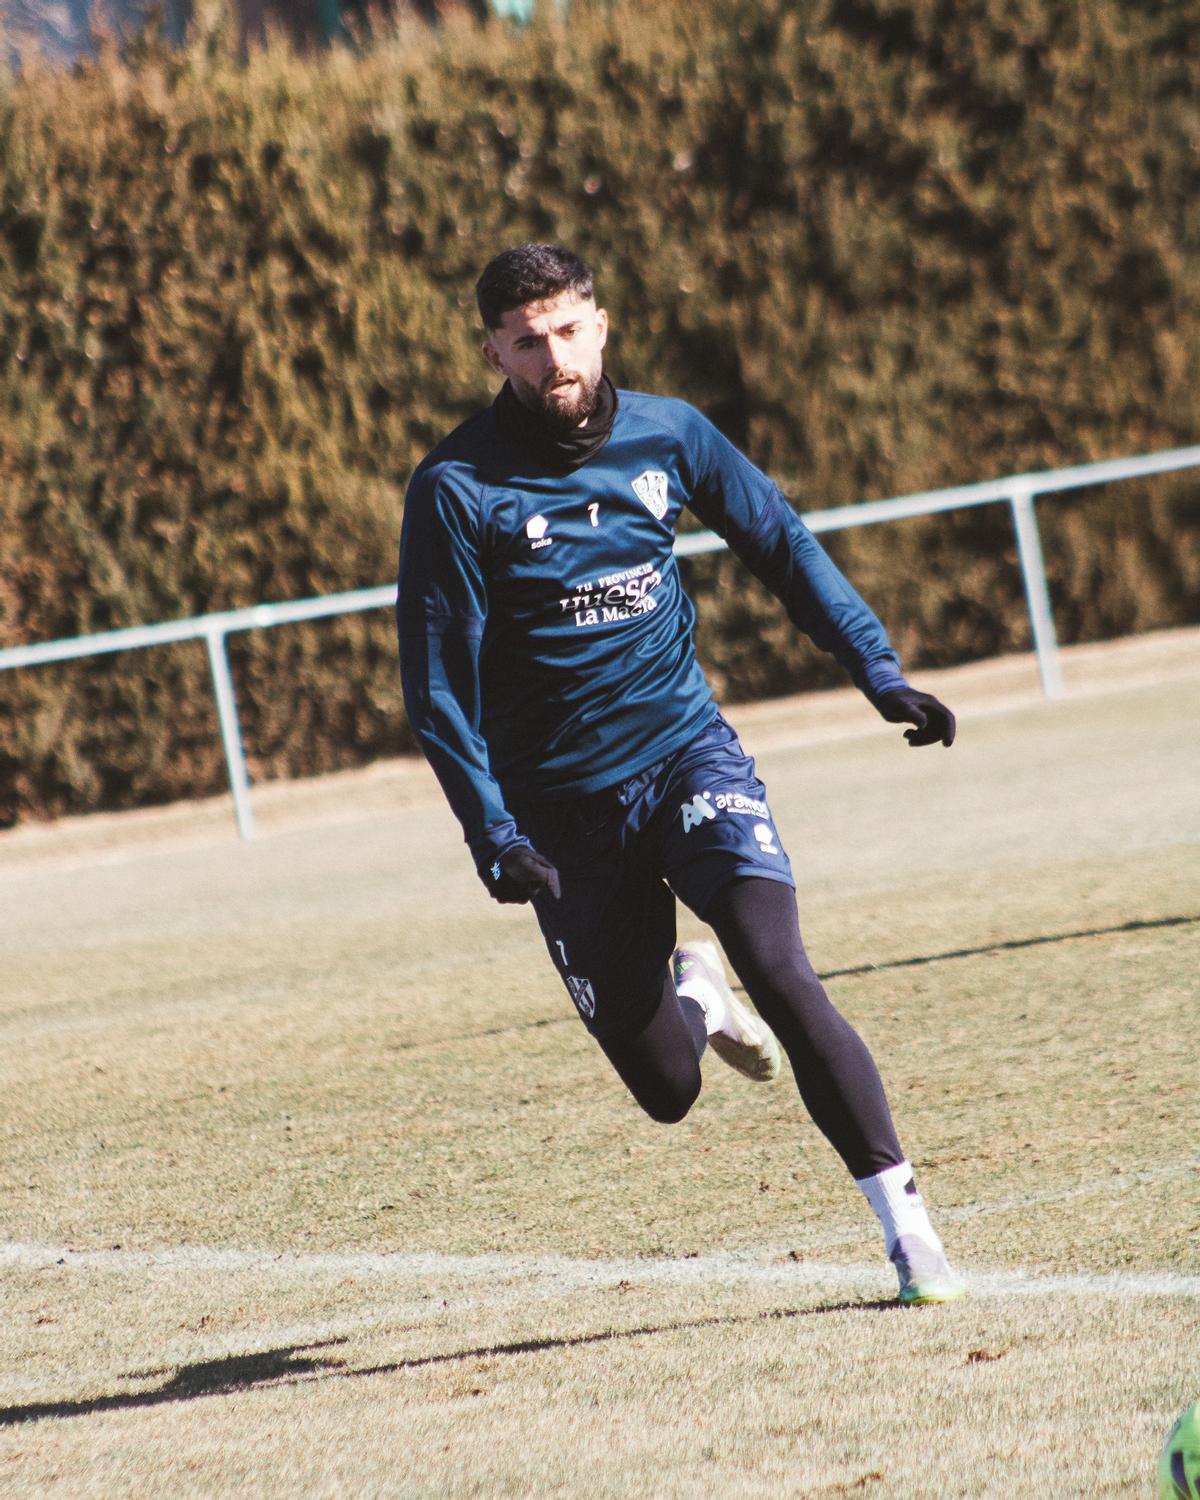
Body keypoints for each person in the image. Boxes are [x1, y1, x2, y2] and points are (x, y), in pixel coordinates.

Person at [397, 243, 964, 1305]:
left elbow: (782, 544)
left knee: (783, 967)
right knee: (665, 1088)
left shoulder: (672, 432)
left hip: (686, 756)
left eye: (567, 330)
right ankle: (694, 1001)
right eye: (526, 341)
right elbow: (436, 689)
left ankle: (910, 1234)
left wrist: (875, 668)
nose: (552, 356)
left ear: (600, 325)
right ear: (493, 352)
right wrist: (495, 836)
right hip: (561, 815)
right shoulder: (456, 487)